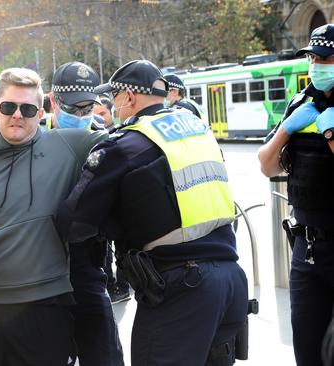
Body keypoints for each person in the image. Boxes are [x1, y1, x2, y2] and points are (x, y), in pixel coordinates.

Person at [57, 60, 248, 365]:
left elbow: (73, 224)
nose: (113, 105)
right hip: (230, 282)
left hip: (180, 289)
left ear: (129, 97)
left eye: (115, 96)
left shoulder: (123, 145)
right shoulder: (197, 130)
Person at [0, 67, 106, 366]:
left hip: (46, 305)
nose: (17, 115)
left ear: (41, 111)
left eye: (28, 109)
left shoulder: (69, 146)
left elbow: (124, 146)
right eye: (9, 107)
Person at [258, 24, 334, 366]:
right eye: (313, 57)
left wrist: (329, 131)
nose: (317, 64)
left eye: (326, 58)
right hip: (306, 247)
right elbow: (267, 166)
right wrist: (287, 128)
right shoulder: (301, 101)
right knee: (306, 342)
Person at [48, 61, 123, 366]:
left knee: (104, 354)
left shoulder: (108, 142)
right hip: (43, 271)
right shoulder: (32, 139)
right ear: (54, 101)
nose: (81, 116)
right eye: (73, 108)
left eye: (87, 108)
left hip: (88, 266)